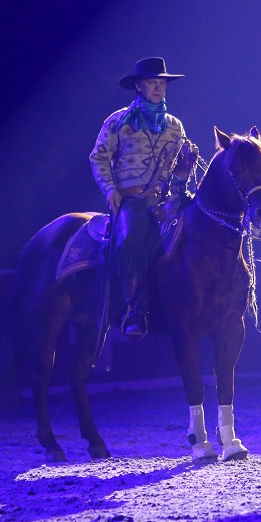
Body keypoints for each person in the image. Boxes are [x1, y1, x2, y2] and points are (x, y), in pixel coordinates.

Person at [89, 57, 198, 337]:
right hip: (132, 198)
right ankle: (133, 309)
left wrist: (184, 172)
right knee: (132, 237)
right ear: (139, 86)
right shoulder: (118, 121)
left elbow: (178, 173)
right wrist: (110, 190)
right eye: (152, 82)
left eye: (161, 83)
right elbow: (99, 157)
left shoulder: (175, 126)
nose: (158, 88)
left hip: (165, 200)